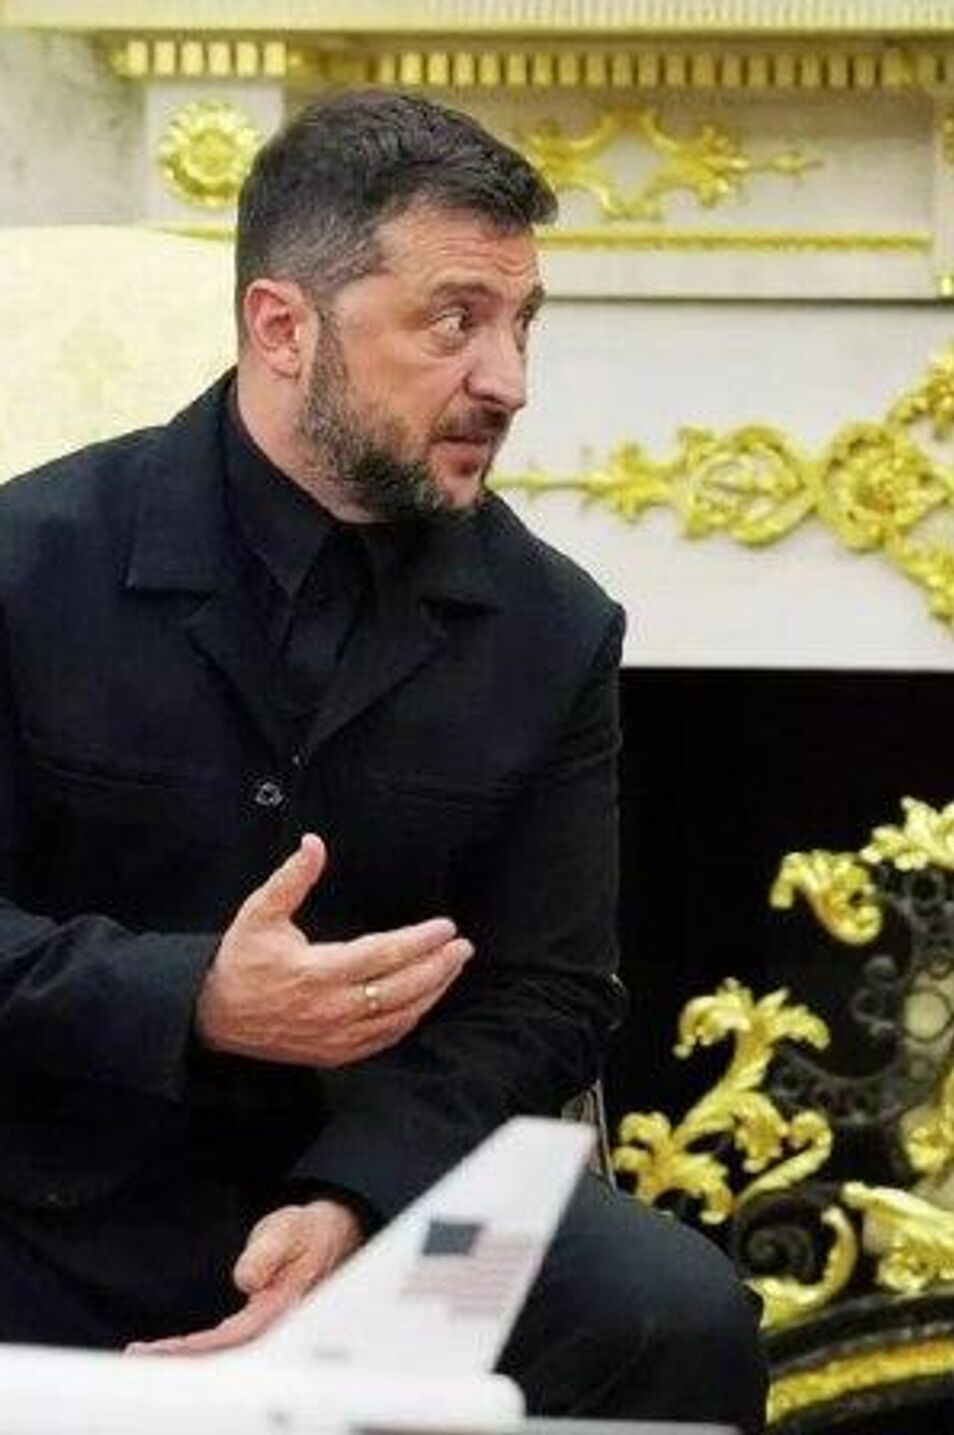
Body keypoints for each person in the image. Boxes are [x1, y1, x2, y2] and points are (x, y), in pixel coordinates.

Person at [0, 89, 766, 1429]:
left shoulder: (555, 626)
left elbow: (551, 993)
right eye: (454, 321)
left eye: (522, 324)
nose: (508, 381)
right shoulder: (29, 563)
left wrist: (351, 1196)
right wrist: (191, 998)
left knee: (668, 1313)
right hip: (44, 1181)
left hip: (391, 1190)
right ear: (283, 328)